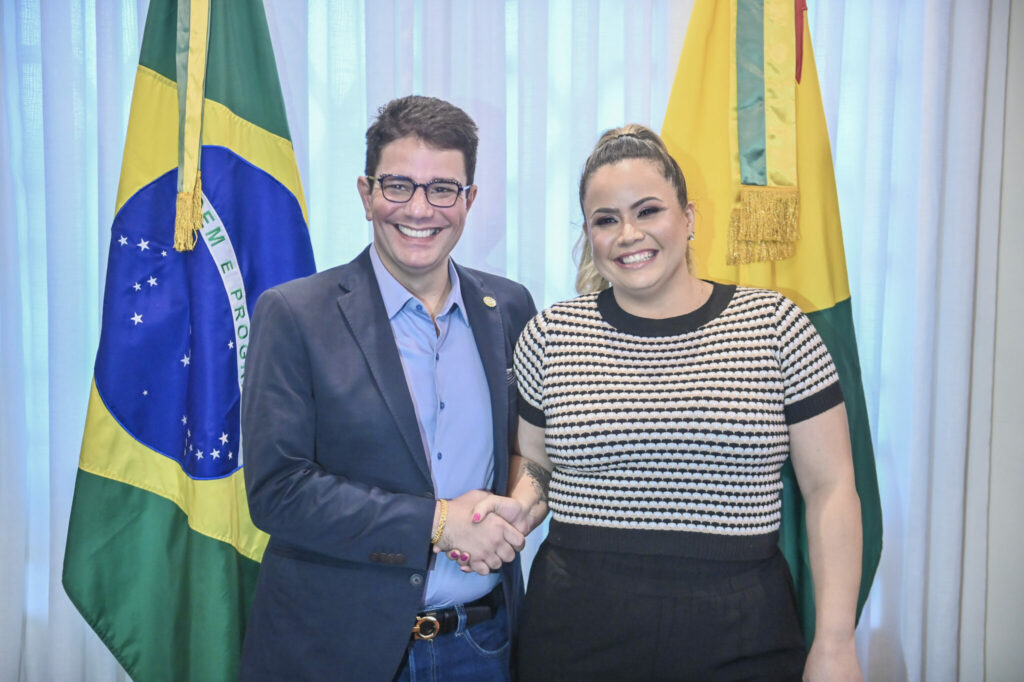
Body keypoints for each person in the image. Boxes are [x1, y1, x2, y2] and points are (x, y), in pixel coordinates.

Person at [457, 124, 864, 681]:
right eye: (606, 219)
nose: (628, 233)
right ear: (589, 234)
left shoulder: (775, 326)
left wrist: (836, 642)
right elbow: (539, 470)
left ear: (689, 218)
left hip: (744, 628)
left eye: (648, 210)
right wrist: (512, 515)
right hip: (575, 630)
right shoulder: (551, 334)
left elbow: (831, 488)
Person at [238, 95, 537, 681]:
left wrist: (520, 508)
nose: (420, 209)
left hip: (482, 643)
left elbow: (528, 449)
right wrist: (436, 521)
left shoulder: (509, 308)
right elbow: (278, 490)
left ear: (469, 200)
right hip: (336, 649)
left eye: (443, 189)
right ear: (366, 193)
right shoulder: (295, 315)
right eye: (398, 185)